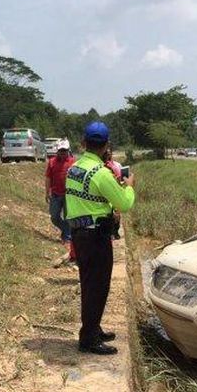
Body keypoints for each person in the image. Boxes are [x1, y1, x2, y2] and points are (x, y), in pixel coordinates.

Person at [65, 121, 136, 356]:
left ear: (84, 143)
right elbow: (124, 204)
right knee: (98, 287)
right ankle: (88, 340)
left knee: (89, 284)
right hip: (95, 237)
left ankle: (92, 328)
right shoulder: (101, 174)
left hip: (79, 234)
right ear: (106, 145)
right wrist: (129, 186)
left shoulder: (74, 168)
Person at [45, 139, 75, 247]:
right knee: (54, 217)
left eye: (64, 150)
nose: (62, 153)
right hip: (55, 194)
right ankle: (67, 231)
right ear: (57, 151)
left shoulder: (73, 162)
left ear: (68, 150)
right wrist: (46, 192)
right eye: (60, 150)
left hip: (69, 194)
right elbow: (48, 177)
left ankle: (67, 237)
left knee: (68, 217)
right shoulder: (52, 162)